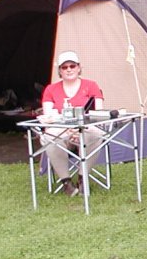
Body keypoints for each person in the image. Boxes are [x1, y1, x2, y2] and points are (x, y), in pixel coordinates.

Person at [40, 51, 104, 197]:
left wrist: (78, 130)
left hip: (85, 131)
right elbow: (48, 117)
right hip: (62, 133)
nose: (69, 70)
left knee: (96, 133)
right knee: (49, 136)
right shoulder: (50, 89)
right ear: (60, 71)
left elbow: (98, 114)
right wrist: (68, 130)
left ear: (79, 68)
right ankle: (66, 183)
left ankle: (82, 179)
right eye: (64, 67)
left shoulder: (91, 86)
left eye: (72, 66)